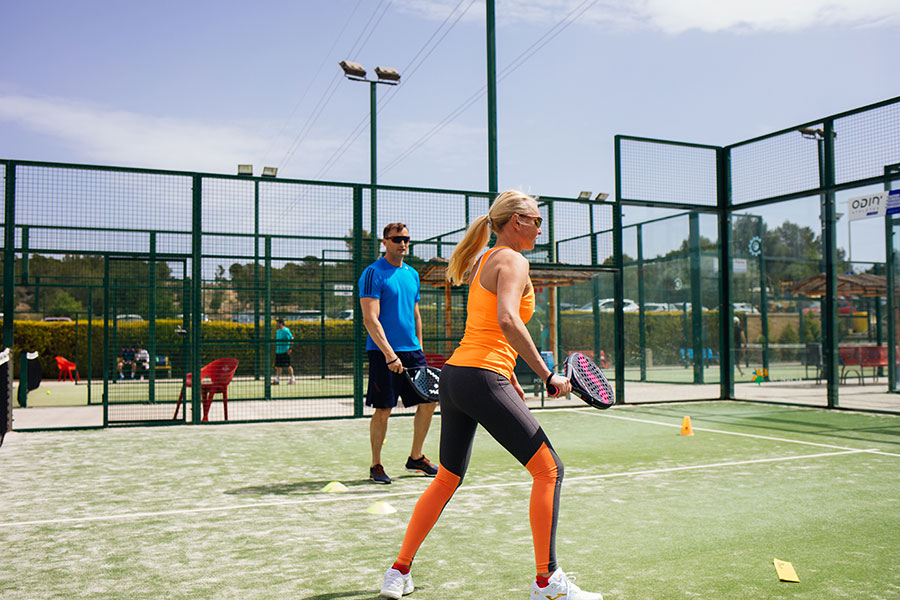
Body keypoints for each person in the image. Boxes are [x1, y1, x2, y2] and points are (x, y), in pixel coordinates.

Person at [378, 191, 603, 600]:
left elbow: (488, 329)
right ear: (516, 221)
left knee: (446, 477)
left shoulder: (483, 258)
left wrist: (510, 374)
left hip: (457, 377)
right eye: (536, 219)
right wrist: (548, 374)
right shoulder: (514, 260)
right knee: (548, 471)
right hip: (481, 378)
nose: (540, 227)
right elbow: (506, 319)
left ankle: (398, 573)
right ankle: (547, 583)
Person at [360, 222, 438, 485]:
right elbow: (371, 319)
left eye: (406, 238)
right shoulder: (372, 273)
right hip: (384, 354)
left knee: (430, 402)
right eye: (396, 239)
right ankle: (376, 465)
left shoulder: (412, 274)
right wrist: (389, 354)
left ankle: (416, 457)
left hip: (413, 352)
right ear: (385, 242)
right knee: (383, 409)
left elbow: (415, 313)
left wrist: (419, 347)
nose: (402, 243)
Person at [273, 317, 295, 385]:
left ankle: (292, 379)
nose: (276, 324)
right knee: (278, 366)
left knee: (288, 366)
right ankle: (277, 380)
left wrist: (290, 349)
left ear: (281, 323)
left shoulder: (286, 330)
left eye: (277, 322)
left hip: (285, 351)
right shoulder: (278, 331)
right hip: (278, 352)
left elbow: (292, 339)